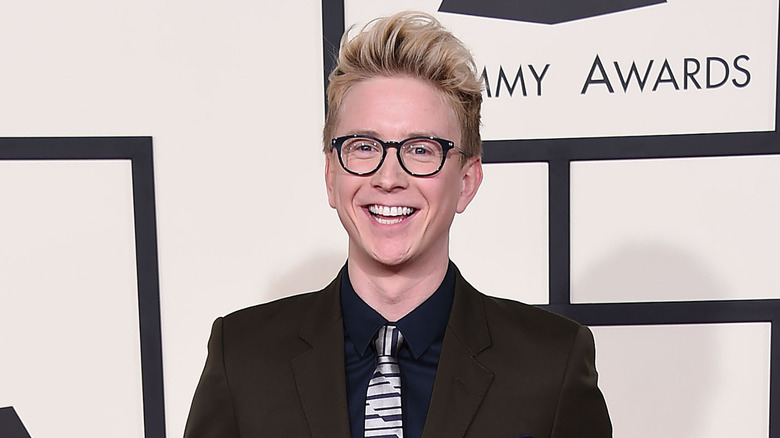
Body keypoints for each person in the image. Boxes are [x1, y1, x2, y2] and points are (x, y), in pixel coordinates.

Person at [184, 11, 611, 438]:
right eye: (364, 146)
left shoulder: (551, 365)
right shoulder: (241, 357)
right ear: (331, 175)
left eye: (422, 150)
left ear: (466, 181)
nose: (388, 178)